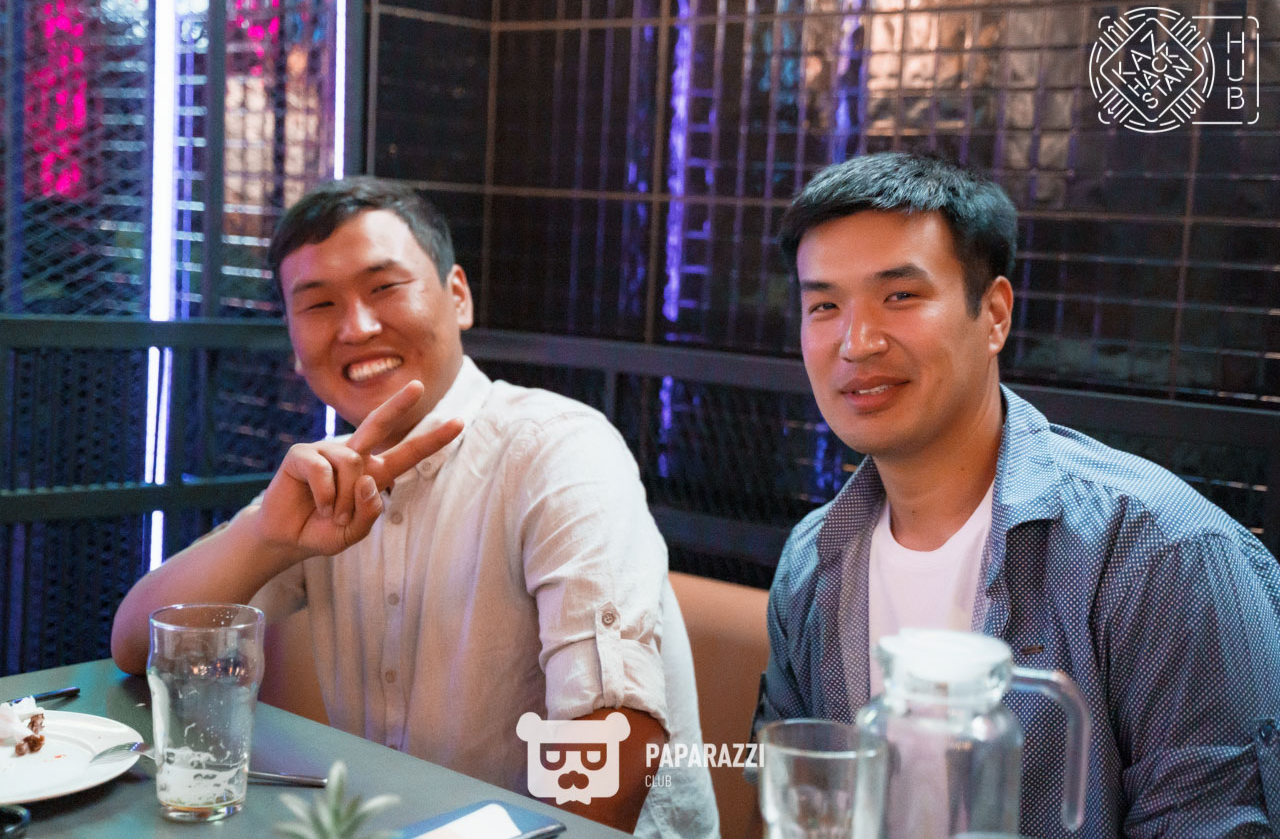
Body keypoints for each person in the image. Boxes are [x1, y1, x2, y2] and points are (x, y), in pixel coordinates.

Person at [111, 177, 718, 838]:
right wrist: (265, 537)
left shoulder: (558, 449)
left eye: (385, 287)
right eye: (318, 304)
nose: (357, 327)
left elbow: (614, 737)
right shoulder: (330, 475)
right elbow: (138, 644)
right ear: (293, 342)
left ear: (458, 296)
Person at [756, 152, 1280, 837]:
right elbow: (790, 797)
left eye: (900, 296)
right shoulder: (811, 563)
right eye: (824, 305)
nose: (856, 343)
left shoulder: (1163, 554)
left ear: (995, 313)